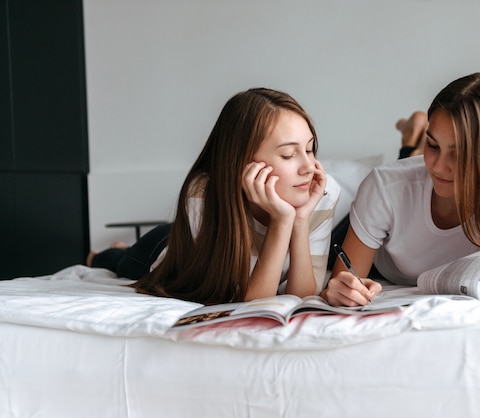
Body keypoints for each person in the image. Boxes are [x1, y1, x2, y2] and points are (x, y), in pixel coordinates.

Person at [322, 72, 480, 307]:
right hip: (384, 257)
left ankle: (412, 144)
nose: (439, 166)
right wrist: (341, 289)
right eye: (432, 145)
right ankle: (411, 146)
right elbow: (343, 281)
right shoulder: (385, 187)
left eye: (459, 154)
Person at [91, 88, 340, 304]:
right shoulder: (203, 194)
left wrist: (298, 220)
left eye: (310, 149)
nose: (309, 166)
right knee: (121, 263)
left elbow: (303, 296)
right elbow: (253, 304)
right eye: (288, 155)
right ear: (243, 163)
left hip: (191, 233)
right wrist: (281, 220)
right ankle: (110, 251)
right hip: (168, 247)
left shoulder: (320, 192)